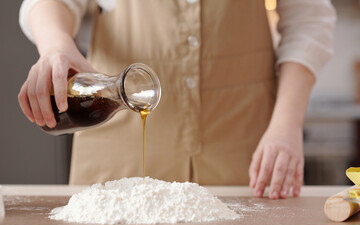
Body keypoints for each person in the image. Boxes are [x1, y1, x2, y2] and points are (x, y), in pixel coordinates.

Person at [18, 0, 336, 199]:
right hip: (116, 153)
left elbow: (310, 20)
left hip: (245, 149)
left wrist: (287, 123)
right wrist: (56, 46)